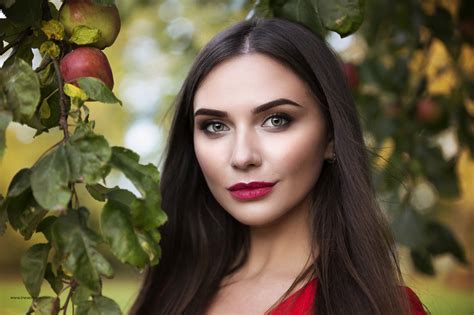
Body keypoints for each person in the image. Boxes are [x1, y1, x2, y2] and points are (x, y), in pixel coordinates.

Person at [130, 17, 428, 315]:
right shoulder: (167, 295)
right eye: (216, 126)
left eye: (276, 120)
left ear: (331, 137)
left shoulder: (382, 308)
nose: (242, 156)